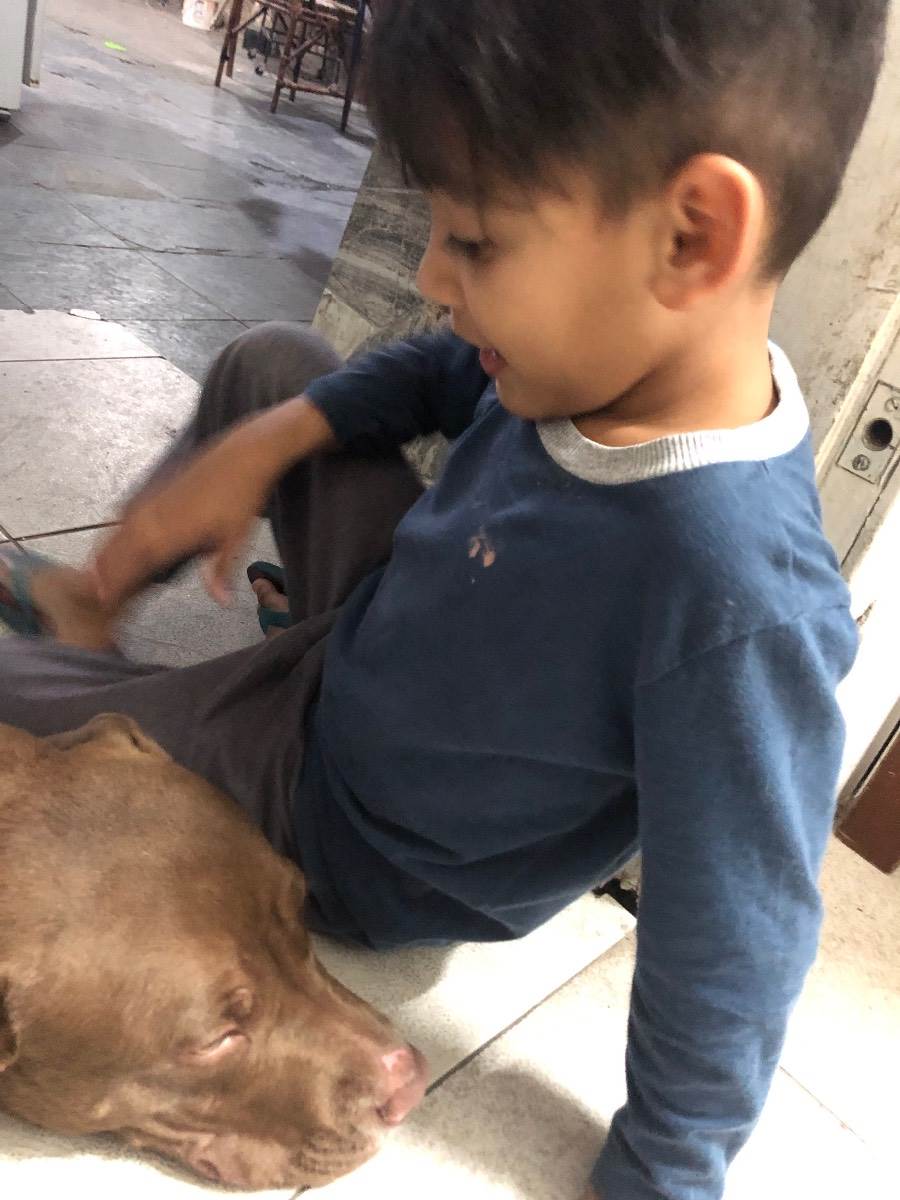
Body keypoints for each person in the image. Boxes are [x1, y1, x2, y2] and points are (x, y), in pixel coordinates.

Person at [0, 2, 889, 1196]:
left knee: (37, 737)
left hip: (351, 816)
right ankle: (96, 597)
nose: (431, 276)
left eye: (474, 242)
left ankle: (112, 673)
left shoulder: (737, 600)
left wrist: (665, 1171)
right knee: (277, 364)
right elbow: (434, 370)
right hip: (379, 631)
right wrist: (271, 442)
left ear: (692, 235)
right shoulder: (600, 361)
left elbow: (737, 936)